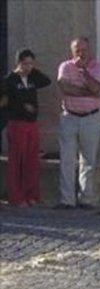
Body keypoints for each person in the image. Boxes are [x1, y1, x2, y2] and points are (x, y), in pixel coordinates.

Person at [56, 37, 100, 209]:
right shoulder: (65, 67)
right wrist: (89, 92)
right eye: (77, 50)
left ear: (88, 50)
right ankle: (67, 200)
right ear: (72, 51)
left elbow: (98, 90)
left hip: (90, 118)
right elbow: (64, 87)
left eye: (83, 50)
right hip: (69, 117)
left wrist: (85, 73)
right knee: (67, 160)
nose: (81, 53)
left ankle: (86, 198)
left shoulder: (97, 67)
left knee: (88, 160)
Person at [1, 49, 51, 207]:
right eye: (25, 63)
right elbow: (6, 101)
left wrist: (33, 70)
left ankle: (31, 195)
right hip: (17, 122)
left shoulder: (32, 78)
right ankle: (16, 196)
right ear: (18, 63)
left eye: (31, 63)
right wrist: (22, 106)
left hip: (32, 123)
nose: (28, 67)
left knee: (31, 160)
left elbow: (46, 81)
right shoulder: (10, 80)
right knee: (18, 161)